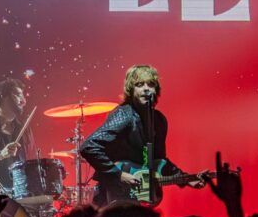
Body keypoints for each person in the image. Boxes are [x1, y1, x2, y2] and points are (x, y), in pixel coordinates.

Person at [79, 65, 202, 206]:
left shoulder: (159, 119)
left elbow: (159, 160)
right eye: (139, 84)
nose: (146, 88)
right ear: (131, 90)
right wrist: (118, 174)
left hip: (141, 198)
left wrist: (185, 179)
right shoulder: (124, 114)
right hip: (114, 194)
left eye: (151, 84)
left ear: (156, 90)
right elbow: (89, 146)